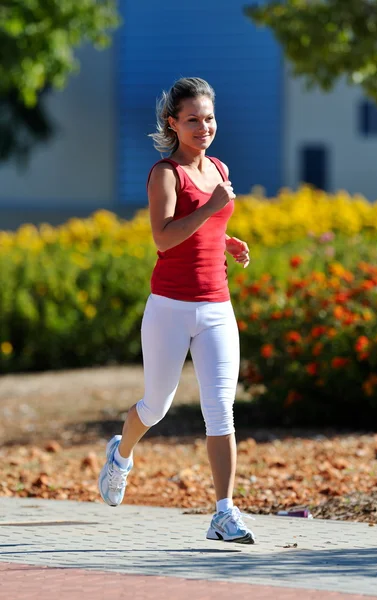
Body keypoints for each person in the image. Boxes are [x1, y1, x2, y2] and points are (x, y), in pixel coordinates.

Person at [98, 77, 255, 544]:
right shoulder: (165, 173)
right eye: (192, 120)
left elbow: (205, 227)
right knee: (157, 405)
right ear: (173, 123)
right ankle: (120, 455)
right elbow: (164, 238)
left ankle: (224, 512)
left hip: (216, 308)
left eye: (208, 118)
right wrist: (211, 210)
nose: (203, 127)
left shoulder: (219, 169)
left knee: (220, 411)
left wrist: (227, 242)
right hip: (169, 308)